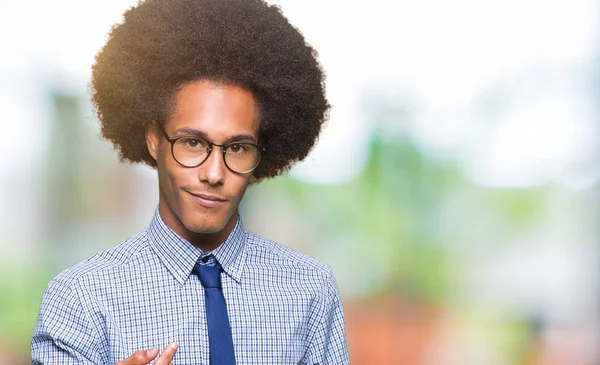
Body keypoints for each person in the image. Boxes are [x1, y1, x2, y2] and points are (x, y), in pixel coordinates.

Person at [30, 0, 349, 364]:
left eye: (238, 147)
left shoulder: (310, 289)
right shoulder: (80, 300)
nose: (214, 173)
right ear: (154, 139)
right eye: (193, 143)